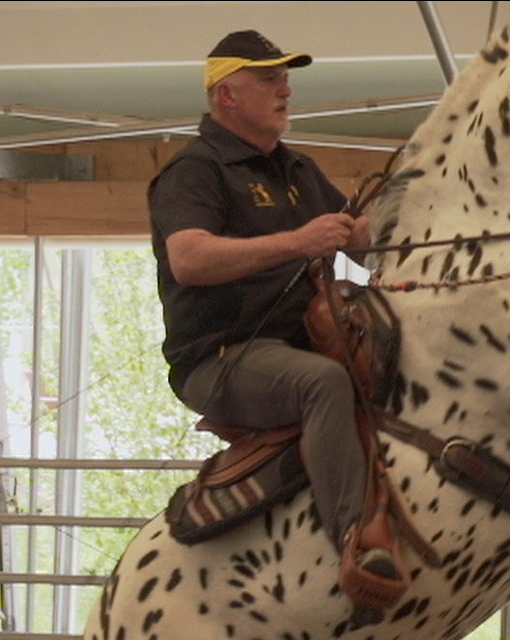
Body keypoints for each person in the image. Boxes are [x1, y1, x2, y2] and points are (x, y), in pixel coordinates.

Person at [149, 29, 399, 592]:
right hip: (220, 357)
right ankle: (356, 540)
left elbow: (351, 245)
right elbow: (189, 259)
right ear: (226, 95)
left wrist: (381, 226)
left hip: (305, 340)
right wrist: (298, 242)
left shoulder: (297, 169)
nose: (285, 90)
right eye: (269, 80)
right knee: (322, 383)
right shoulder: (196, 170)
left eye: (284, 79)